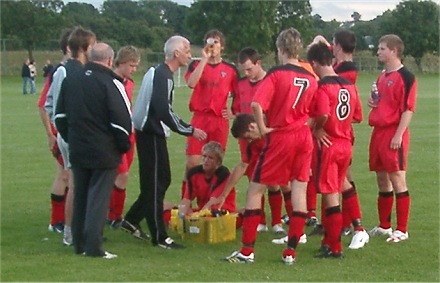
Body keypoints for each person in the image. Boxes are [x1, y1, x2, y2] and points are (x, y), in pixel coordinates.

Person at [224, 27, 318, 265]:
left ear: (280, 49)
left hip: (281, 135)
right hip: (303, 136)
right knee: (298, 191)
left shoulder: (276, 73)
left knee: (255, 189)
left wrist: (263, 128)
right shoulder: (310, 75)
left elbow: (257, 103)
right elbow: (314, 109)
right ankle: (290, 252)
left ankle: (247, 251)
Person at [122, 35, 207, 249]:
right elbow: (163, 111)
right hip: (150, 135)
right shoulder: (163, 75)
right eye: (187, 50)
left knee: (160, 181)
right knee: (156, 184)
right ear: (176, 53)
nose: (190, 53)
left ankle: (131, 219)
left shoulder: (162, 73)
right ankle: (159, 236)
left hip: (151, 134)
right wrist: (190, 130)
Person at [55, 42, 132, 259]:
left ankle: (78, 243)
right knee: (98, 197)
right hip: (104, 150)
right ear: (110, 60)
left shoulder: (71, 79)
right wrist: (122, 146)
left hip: (78, 147)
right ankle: (94, 247)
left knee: (80, 195)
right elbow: (122, 121)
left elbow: (59, 117)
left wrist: (72, 138)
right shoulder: (111, 83)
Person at [308, 31, 369, 250]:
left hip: (330, 144)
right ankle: (358, 228)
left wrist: (317, 128)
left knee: (330, 194)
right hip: (346, 143)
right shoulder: (349, 85)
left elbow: (323, 114)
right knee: (343, 184)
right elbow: (358, 116)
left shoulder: (323, 86)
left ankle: (333, 246)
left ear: (315, 63)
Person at [216, 47, 288, 235]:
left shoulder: (271, 81)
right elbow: (238, 107)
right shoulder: (241, 84)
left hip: (268, 135)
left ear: (258, 63)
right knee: (254, 177)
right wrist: (235, 115)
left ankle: (278, 221)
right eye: (243, 70)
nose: (246, 73)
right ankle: (261, 220)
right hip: (248, 137)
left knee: (275, 182)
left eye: (249, 69)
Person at [45, 26, 97, 246]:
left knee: (83, 183)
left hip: (81, 135)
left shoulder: (83, 70)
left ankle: (80, 227)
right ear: (84, 47)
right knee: (75, 183)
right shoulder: (64, 71)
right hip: (72, 136)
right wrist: (66, 134)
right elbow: (53, 107)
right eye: (93, 46)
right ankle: (69, 231)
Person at [368, 34, 417, 243]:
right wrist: (374, 103)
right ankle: (384, 226)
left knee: (397, 178)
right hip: (378, 132)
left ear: (393, 51)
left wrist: (398, 134)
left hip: (393, 133)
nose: (378, 52)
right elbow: (384, 102)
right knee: (381, 179)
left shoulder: (406, 76)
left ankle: (402, 229)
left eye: (381, 49)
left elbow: (408, 109)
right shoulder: (382, 76)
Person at [181, 29, 239, 198]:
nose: (212, 46)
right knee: (192, 162)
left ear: (222, 47)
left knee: (215, 163)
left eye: (216, 43)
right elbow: (191, 83)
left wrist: (233, 111)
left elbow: (239, 93)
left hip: (219, 120)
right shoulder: (196, 65)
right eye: (209, 42)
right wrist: (204, 60)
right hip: (200, 118)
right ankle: (186, 200)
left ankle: (209, 200)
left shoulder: (230, 69)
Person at [37, 28, 72, 235]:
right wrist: (50, 135)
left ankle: (66, 218)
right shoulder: (58, 71)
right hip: (60, 133)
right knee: (65, 174)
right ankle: (56, 220)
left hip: (68, 131)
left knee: (71, 175)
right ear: (69, 48)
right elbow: (43, 104)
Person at [107, 45, 141, 229]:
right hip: (115, 135)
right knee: (122, 174)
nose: (134, 70)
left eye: (136, 66)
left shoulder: (130, 83)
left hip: (130, 133)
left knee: (119, 175)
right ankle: (115, 216)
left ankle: (111, 212)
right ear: (120, 62)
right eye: (131, 65)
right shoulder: (110, 81)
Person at [177, 141, 236, 217]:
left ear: (218, 162)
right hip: (204, 210)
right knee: (168, 209)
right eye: (204, 156)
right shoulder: (194, 173)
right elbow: (186, 199)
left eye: (210, 158)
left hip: (222, 211)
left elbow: (213, 202)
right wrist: (182, 215)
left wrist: (197, 216)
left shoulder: (224, 175)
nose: (206, 160)